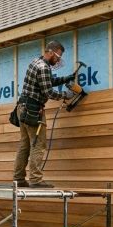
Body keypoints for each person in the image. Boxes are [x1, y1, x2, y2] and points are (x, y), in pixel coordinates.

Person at [13, 41, 82, 188]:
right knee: (38, 144)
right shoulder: (44, 67)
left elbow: (47, 82)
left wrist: (66, 78)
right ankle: (36, 180)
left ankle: (18, 179)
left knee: (25, 145)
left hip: (22, 108)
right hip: (33, 110)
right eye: (58, 56)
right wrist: (66, 95)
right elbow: (48, 92)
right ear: (51, 52)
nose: (58, 60)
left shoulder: (35, 62)